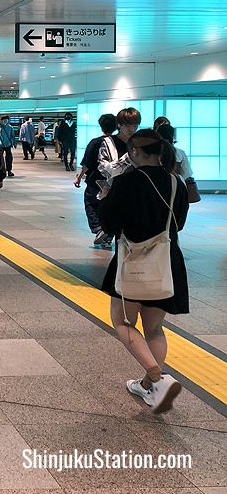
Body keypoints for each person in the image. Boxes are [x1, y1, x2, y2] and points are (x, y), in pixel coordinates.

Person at [98, 128, 189, 415]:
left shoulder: (127, 182)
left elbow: (110, 223)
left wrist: (104, 197)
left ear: (136, 151)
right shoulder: (177, 184)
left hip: (134, 261)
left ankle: (157, 377)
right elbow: (179, 224)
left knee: (123, 322)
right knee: (154, 328)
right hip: (166, 262)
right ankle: (150, 389)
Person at [73, 114, 117, 247]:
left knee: (91, 203)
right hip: (113, 180)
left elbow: (87, 163)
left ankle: (98, 228)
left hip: (96, 180)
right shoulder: (117, 142)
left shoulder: (95, 142)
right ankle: (108, 237)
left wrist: (79, 177)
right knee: (109, 207)